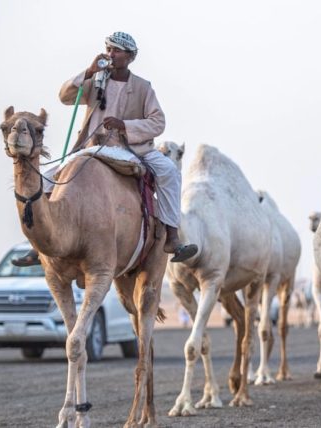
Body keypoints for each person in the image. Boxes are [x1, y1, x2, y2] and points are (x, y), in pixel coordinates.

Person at [13, 31, 197, 266]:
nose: (111, 54)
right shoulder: (94, 80)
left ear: (130, 57)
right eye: (109, 49)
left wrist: (125, 125)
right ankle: (38, 245)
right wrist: (88, 72)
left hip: (133, 149)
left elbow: (158, 122)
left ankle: (172, 236)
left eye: (117, 51)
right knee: (46, 180)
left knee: (169, 171)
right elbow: (65, 97)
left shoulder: (143, 88)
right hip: (93, 147)